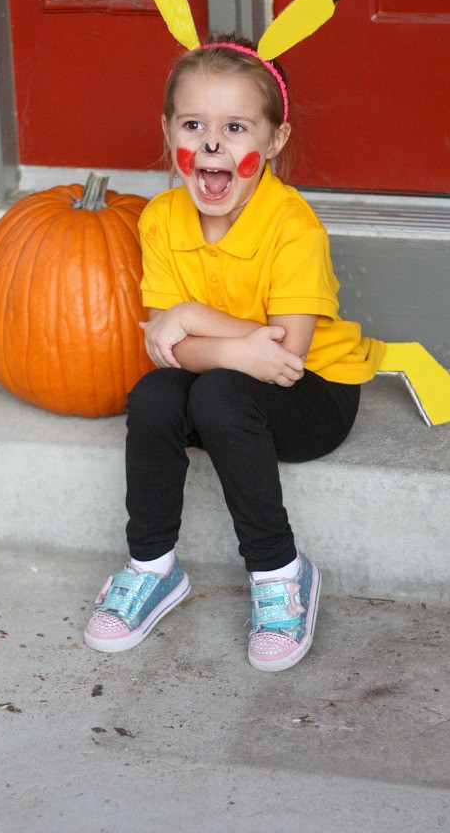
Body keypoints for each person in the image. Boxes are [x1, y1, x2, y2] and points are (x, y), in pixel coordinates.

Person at [84, 34, 385, 671]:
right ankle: (153, 566)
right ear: (169, 132)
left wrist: (191, 319)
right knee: (153, 395)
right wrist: (219, 344)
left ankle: (281, 574)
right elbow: (164, 349)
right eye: (194, 124)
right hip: (229, 381)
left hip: (314, 393)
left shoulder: (292, 226)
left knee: (218, 393)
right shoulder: (160, 219)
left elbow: (283, 353)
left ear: (274, 142)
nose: (213, 144)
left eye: (236, 127)